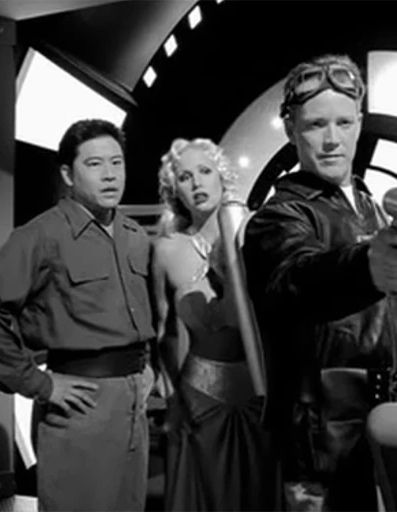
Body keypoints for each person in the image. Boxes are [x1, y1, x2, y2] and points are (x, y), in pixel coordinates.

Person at [241, 54, 397, 511]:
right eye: (316, 125)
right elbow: (297, 276)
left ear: (360, 123)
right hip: (323, 439)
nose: (332, 140)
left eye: (344, 122)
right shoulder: (278, 217)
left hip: (393, 410)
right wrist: (368, 265)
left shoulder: (368, 204)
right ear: (291, 129)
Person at [0, 119, 155, 511]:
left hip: (134, 404)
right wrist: (38, 384)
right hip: (81, 404)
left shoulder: (134, 235)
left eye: (117, 162)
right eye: (94, 164)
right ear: (67, 174)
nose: (110, 174)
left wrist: (146, 366)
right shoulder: (43, 234)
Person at [151, 138, 279, 511]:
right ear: (175, 190)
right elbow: (162, 333)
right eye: (185, 177)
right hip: (197, 399)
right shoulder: (166, 250)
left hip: (259, 395)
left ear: (222, 177)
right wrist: (172, 399)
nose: (197, 183)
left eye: (205, 171)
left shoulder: (254, 234)